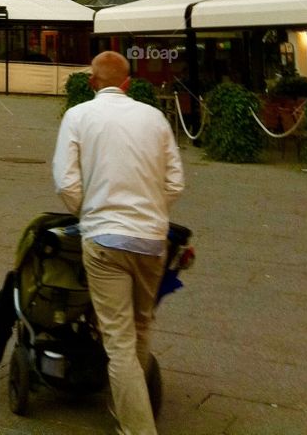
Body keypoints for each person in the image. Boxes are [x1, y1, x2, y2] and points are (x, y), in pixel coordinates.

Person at [52, 51, 184, 435]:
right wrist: (151, 213)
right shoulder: (155, 117)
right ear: (127, 83)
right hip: (151, 239)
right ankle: (124, 400)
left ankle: (137, 428)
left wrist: (89, 213)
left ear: (92, 81)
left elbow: (66, 183)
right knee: (142, 326)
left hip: (105, 237)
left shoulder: (78, 117)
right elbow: (175, 182)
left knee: (119, 340)